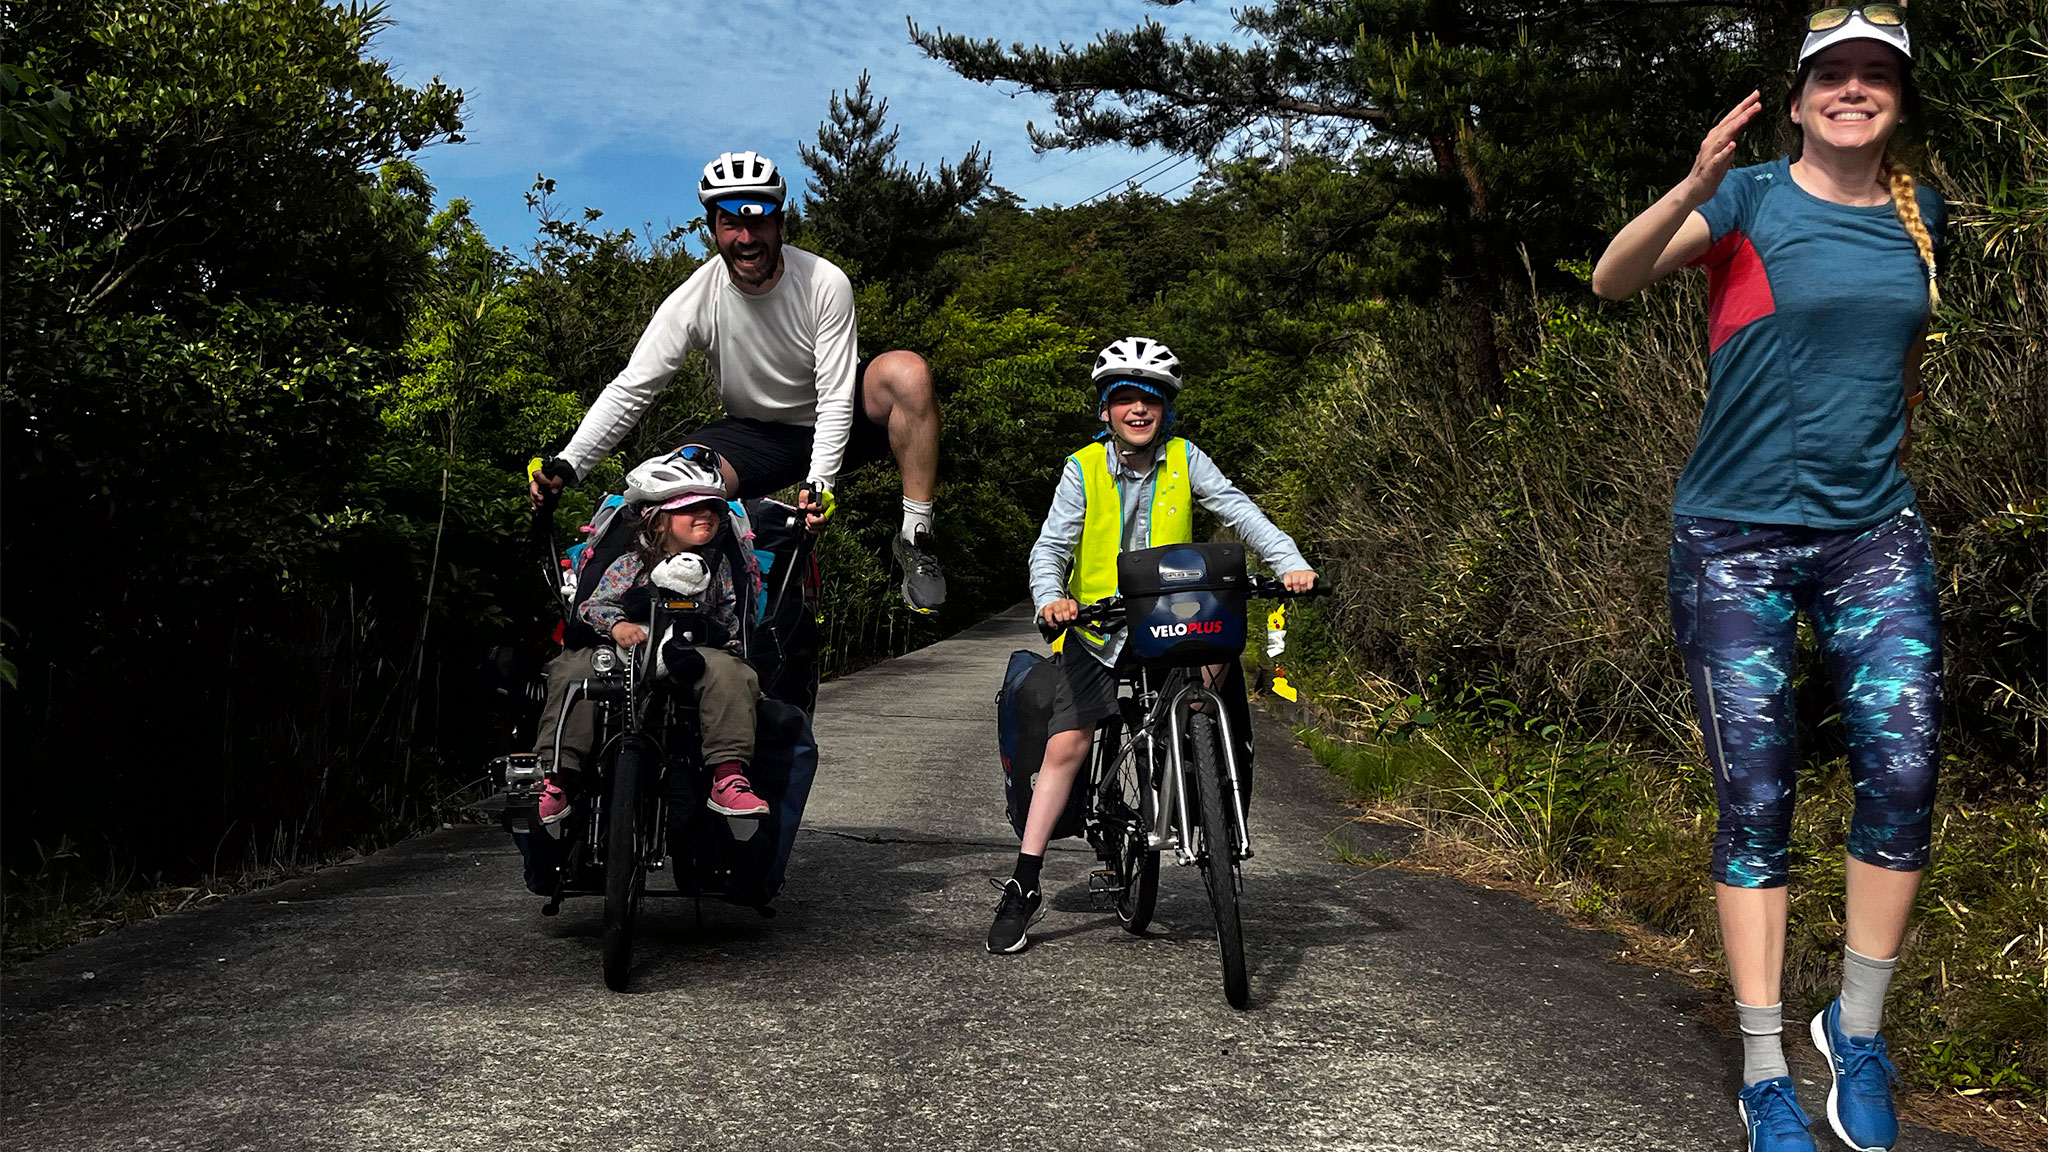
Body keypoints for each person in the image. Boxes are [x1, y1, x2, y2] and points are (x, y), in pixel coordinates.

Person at [1591, 9, 1943, 1152]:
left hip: (1870, 536)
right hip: (1732, 541)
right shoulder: (1744, 198)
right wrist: (1688, 180)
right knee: (1756, 800)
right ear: (1795, 100)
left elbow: (1893, 376)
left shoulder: (1919, 217)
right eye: (1829, 75)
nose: (1852, 90)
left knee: (1900, 771)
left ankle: (1857, 1029)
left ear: (1895, 99)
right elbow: (1612, 279)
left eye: (1872, 76)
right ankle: (1760, 1068)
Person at [985, 337, 1317, 955]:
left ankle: (1210, 795)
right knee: (1069, 741)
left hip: (1175, 618)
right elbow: (1051, 546)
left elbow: (1239, 512)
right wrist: (1050, 598)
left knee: (1219, 685)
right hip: (1100, 626)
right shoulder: (1082, 467)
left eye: (1151, 401)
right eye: (1125, 400)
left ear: (1167, 409)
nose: (1139, 411)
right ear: (1107, 410)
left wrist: (1289, 561)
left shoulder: (1187, 459)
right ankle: (1023, 883)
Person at [530, 150, 946, 613]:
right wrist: (570, 463)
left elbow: (833, 395)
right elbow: (633, 388)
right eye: (732, 224)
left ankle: (916, 536)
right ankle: (670, 614)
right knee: (670, 482)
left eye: (759, 223)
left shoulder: (825, 282)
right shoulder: (694, 298)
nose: (747, 239)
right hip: (755, 433)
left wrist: (820, 484)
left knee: (907, 372)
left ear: (780, 225)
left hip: (840, 419)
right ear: (713, 229)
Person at [530, 450, 768, 822]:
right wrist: (617, 626)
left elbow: (728, 616)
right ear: (657, 522)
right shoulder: (631, 565)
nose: (705, 515)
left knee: (733, 673)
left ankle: (728, 776)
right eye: (691, 509)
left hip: (688, 653)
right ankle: (557, 775)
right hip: (627, 652)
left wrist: (720, 640)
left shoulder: (717, 567)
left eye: (711, 509)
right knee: (571, 668)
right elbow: (594, 606)